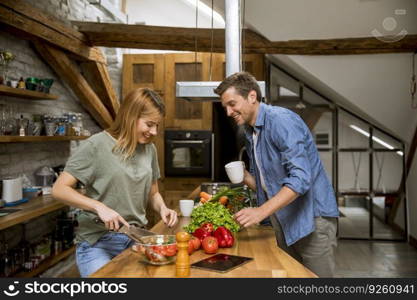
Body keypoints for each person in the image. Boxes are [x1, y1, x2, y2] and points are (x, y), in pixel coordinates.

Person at [214, 72, 339, 277]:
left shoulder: (280, 121)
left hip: (312, 219)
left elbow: (300, 178)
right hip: (285, 218)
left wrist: (261, 211)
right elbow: (271, 186)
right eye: (225, 107)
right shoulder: (251, 131)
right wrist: (246, 177)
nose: (228, 112)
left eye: (232, 103)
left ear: (252, 96)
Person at [52, 88, 178, 277]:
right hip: (97, 243)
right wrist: (99, 207)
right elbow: (59, 189)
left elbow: (153, 193)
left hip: (135, 239)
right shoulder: (96, 145)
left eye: (157, 125)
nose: (154, 131)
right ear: (130, 116)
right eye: (149, 124)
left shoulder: (149, 149)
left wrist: (162, 208)